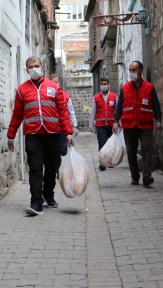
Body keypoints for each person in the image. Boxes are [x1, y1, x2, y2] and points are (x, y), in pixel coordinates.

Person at [7, 57, 73, 215]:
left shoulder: (54, 87)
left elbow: (63, 112)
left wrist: (68, 133)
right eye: (31, 67)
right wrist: (11, 135)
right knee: (35, 168)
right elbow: (17, 115)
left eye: (37, 66)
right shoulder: (22, 90)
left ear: (42, 67)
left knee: (51, 168)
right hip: (33, 135)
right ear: (27, 70)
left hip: (53, 133)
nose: (34, 68)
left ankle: (48, 195)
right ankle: (36, 202)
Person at [113, 61, 162, 187]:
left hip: (145, 124)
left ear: (141, 71)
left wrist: (159, 121)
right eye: (130, 70)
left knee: (146, 149)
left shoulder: (150, 88)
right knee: (131, 152)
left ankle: (147, 177)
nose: (131, 73)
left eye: (134, 70)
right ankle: (135, 177)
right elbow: (119, 106)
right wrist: (116, 121)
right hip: (129, 124)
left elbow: (155, 105)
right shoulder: (125, 88)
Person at [48, 75, 79, 174]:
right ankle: (57, 169)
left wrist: (74, 126)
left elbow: (71, 111)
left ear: (59, 83)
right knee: (54, 150)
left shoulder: (65, 96)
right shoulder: (46, 96)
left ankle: (63, 168)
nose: (55, 85)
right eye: (53, 82)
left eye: (56, 82)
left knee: (62, 148)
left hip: (63, 127)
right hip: (51, 127)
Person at [89, 77, 116, 171]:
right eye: (102, 84)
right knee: (102, 142)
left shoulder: (114, 96)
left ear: (108, 85)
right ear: (99, 85)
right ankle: (102, 162)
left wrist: (118, 123)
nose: (104, 86)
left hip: (112, 124)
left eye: (105, 84)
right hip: (100, 124)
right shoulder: (96, 98)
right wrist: (91, 125)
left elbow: (117, 110)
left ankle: (110, 161)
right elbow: (93, 111)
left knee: (111, 144)